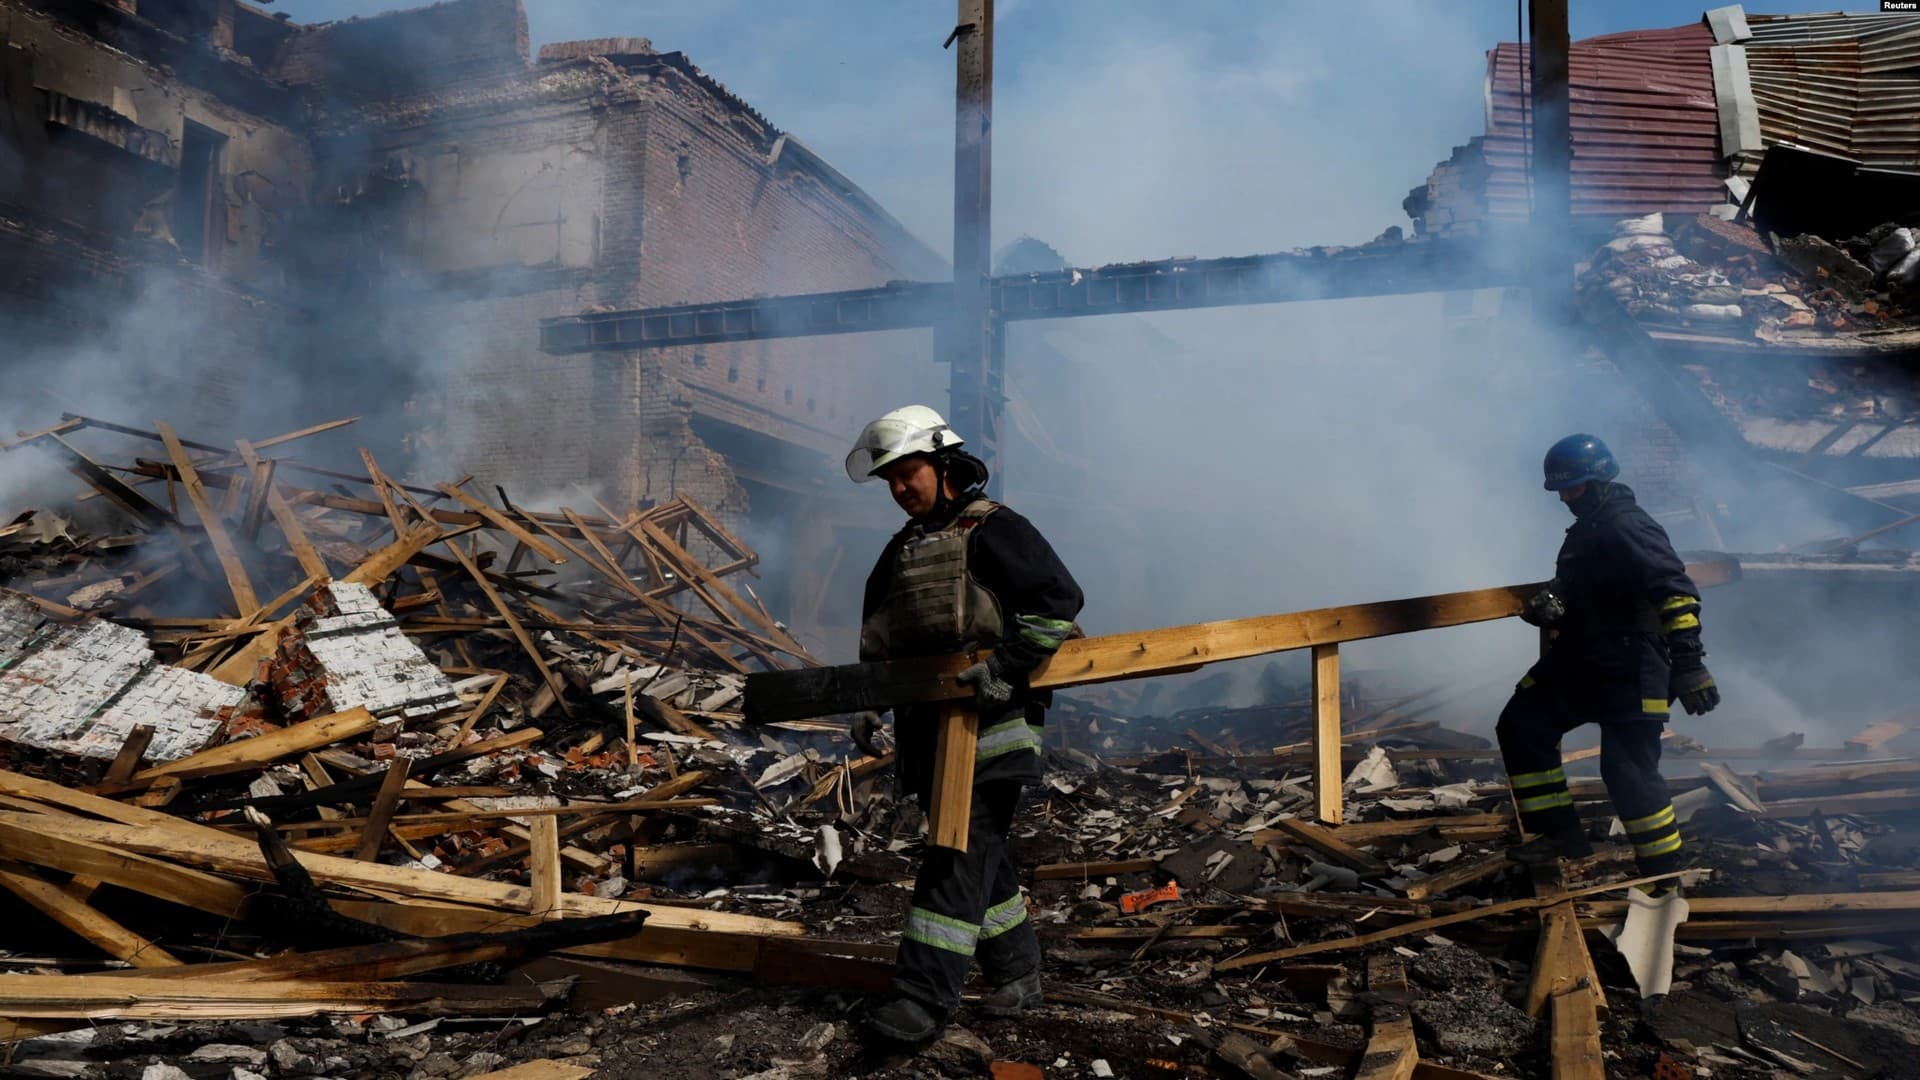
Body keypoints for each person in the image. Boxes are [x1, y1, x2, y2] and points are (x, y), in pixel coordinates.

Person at [841, 404, 1084, 1045]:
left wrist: (1008, 664)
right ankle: (1018, 972)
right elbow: (881, 636)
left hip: (994, 727)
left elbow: (1059, 602)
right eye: (889, 479)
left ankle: (920, 1000)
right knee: (981, 856)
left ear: (944, 465)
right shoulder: (903, 550)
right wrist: (869, 696)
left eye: (908, 472)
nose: (899, 489)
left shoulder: (998, 530)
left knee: (954, 851)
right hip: (928, 734)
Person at [1498, 434, 1720, 889]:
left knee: (1628, 771)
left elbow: (1676, 594)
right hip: (1584, 657)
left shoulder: (1627, 525)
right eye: (1562, 489)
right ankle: (1559, 835)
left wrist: (1690, 664)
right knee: (1522, 725)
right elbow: (1585, 585)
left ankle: (1664, 874)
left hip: (1631, 663)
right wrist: (1554, 603)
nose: (1564, 497)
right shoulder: (1590, 528)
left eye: (1573, 488)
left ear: (1598, 482)